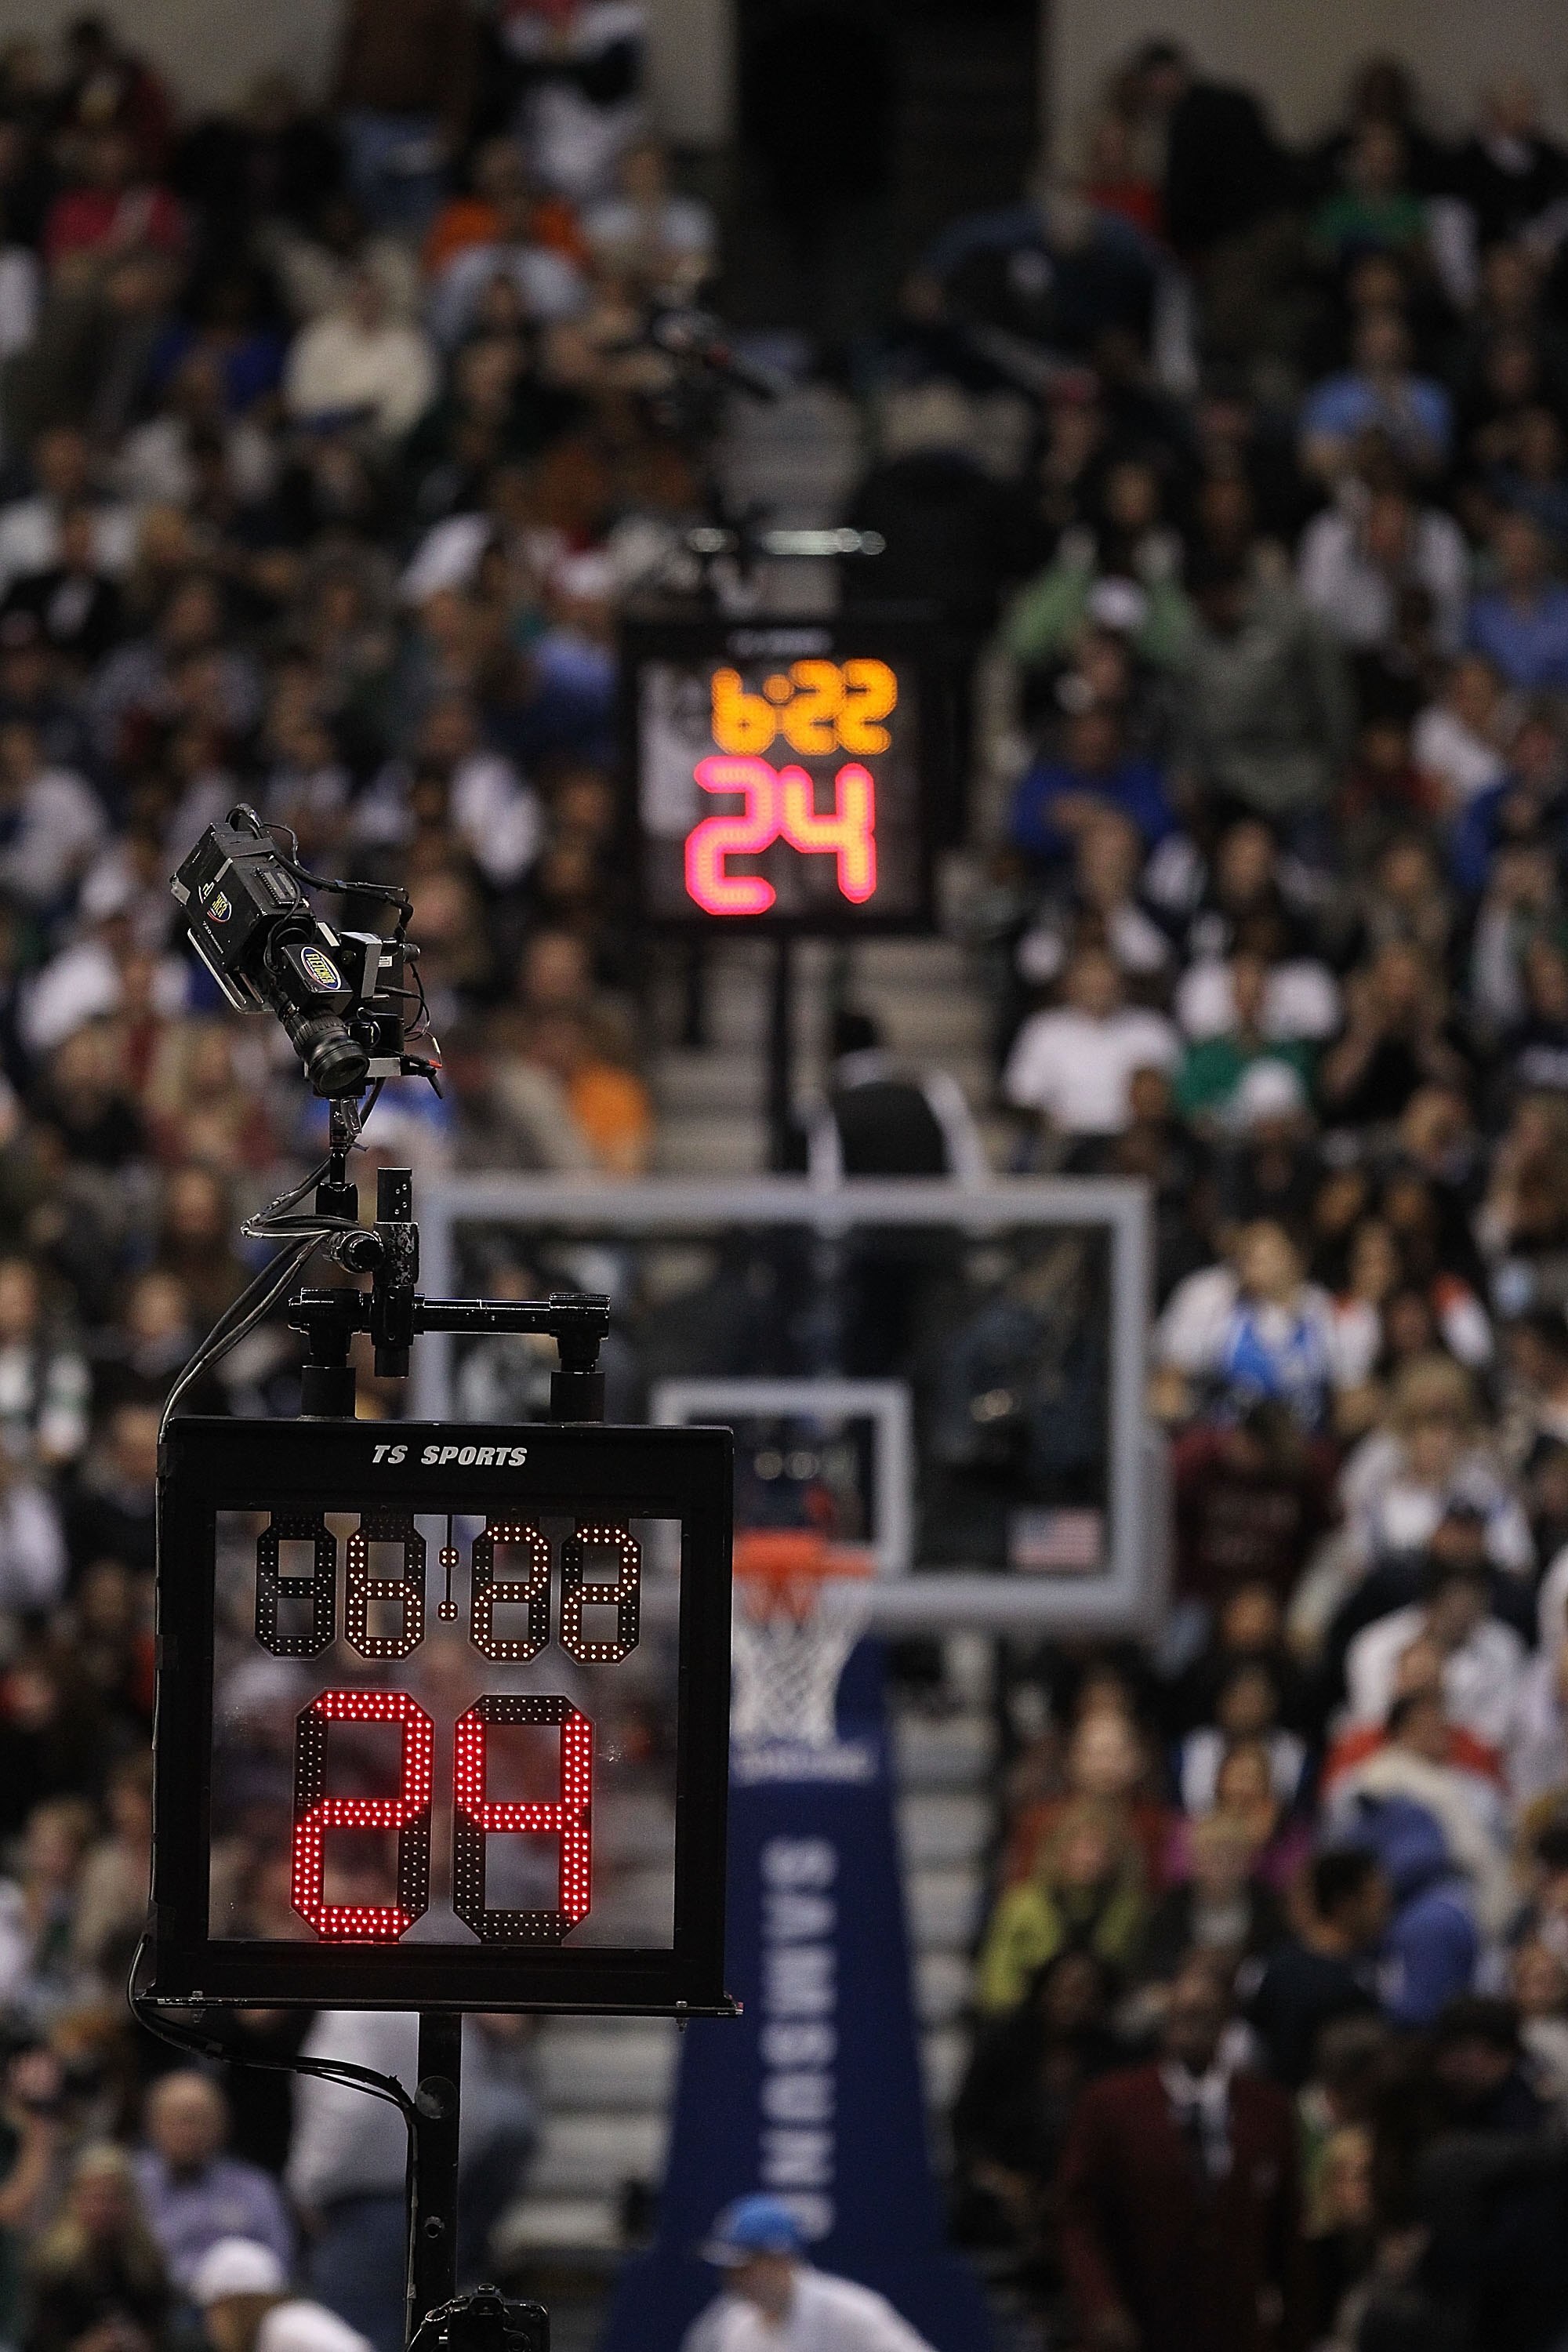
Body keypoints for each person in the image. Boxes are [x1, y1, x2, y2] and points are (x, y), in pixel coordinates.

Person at [1058, 1963, 1305, 2351]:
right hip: (1139, 2324)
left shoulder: (1268, 2110)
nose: (1191, 2024)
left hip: (1234, 2329)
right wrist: (1100, 2305)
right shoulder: (1111, 2104)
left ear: (1228, 2024)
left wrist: (1295, 2329)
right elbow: (1078, 2217)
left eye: (1205, 2013)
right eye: (1182, 2012)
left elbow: (1288, 2230)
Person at [682, 2196, 936, 2352]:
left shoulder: (851, 2313)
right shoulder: (733, 2323)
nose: (734, 2279)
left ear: (781, 2261)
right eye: (729, 2269)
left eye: (744, 2267)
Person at [132, 2074, 292, 2292]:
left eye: (200, 2120)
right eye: (180, 2120)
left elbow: (278, 2266)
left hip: (231, 2307)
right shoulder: (130, 2185)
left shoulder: (254, 2189)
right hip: (153, 2306)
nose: (189, 2132)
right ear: (153, 2125)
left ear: (222, 2125)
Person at [1246, 1847, 1387, 2088]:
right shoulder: (1287, 1972)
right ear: (1345, 1904)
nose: (1384, 1910)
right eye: (1375, 1899)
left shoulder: (1274, 1964)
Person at [191, 2238, 372, 2352]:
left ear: (238, 2305)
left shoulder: (286, 2329)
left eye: (214, 2310)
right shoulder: (273, 2334)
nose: (211, 2326)